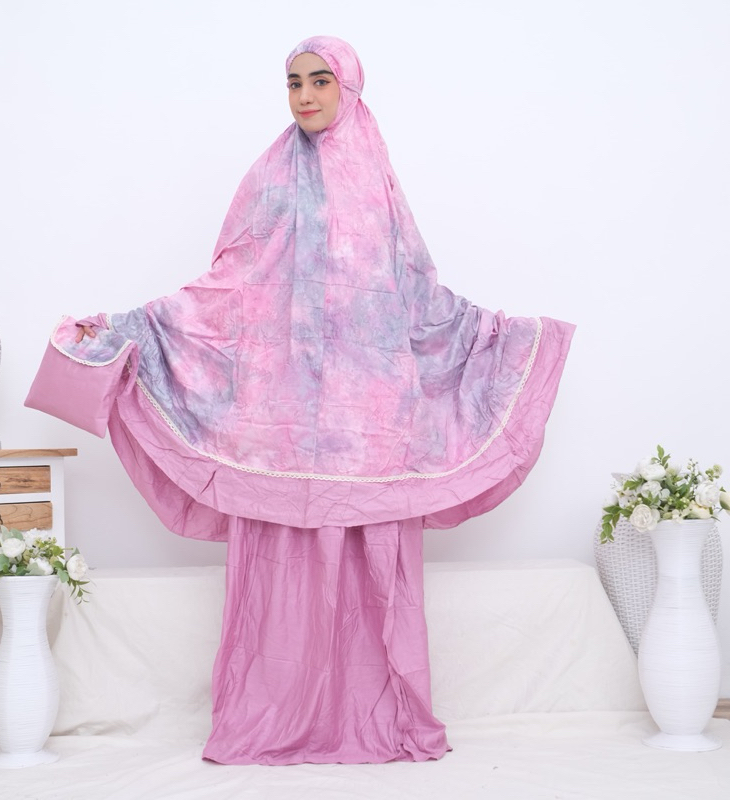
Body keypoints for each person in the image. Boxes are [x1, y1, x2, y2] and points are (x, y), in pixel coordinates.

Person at [36, 36, 574, 765]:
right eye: (293, 83)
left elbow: (419, 298)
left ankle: (380, 720)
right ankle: (271, 717)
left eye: (321, 81)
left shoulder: (377, 184)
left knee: (371, 566)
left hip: (369, 425)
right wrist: (131, 329)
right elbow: (226, 289)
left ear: (350, 87)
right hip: (279, 425)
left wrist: (507, 339)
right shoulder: (269, 179)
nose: (306, 96)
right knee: (279, 571)